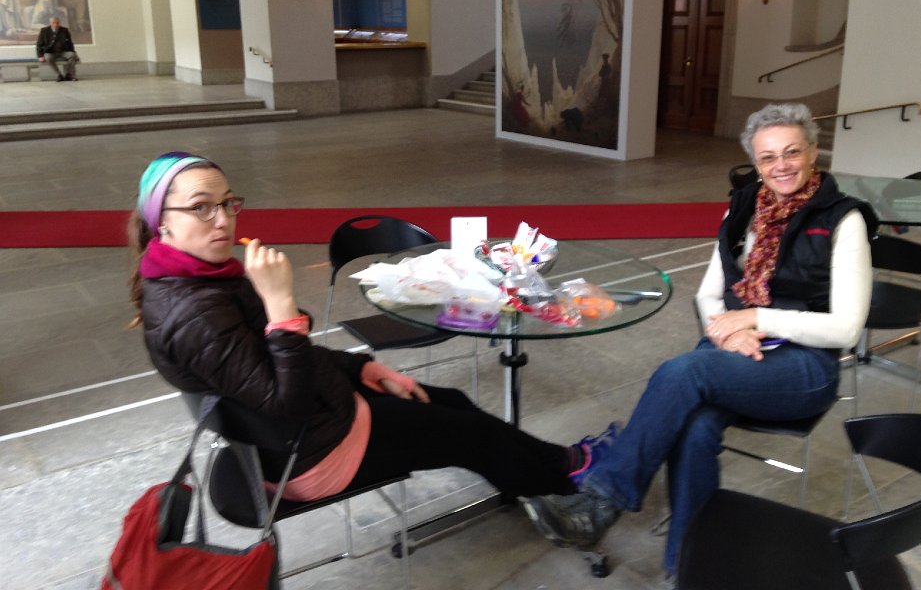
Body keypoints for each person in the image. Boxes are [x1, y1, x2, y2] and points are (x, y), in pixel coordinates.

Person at [129, 151, 618, 505]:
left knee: (451, 402)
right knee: (473, 434)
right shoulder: (193, 314)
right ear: (161, 221)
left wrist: (360, 369)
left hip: (315, 420)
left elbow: (276, 366)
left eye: (227, 203)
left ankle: (552, 466)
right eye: (201, 207)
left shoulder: (201, 278)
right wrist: (280, 307)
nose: (222, 220)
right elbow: (286, 401)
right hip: (308, 453)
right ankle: (574, 482)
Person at [521, 103, 877, 583]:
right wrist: (729, 330)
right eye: (768, 157)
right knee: (694, 427)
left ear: (813, 153)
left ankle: (603, 502)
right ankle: (689, 567)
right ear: (755, 162)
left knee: (683, 371)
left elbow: (847, 328)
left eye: (792, 152)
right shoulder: (742, 207)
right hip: (734, 349)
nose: (781, 166)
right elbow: (710, 295)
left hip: (805, 366)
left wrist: (755, 316)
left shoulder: (843, 220)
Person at [36, 16, 78, 81]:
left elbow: (70, 43)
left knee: (72, 55)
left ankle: (69, 74)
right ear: (50, 23)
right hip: (50, 52)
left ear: (59, 23)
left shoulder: (64, 30)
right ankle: (58, 75)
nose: (55, 24)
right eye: (53, 23)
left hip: (63, 51)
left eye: (57, 23)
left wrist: (74, 52)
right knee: (48, 57)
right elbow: (39, 44)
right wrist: (40, 56)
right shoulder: (44, 31)